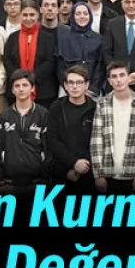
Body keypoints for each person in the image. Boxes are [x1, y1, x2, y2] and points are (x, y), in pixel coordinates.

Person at [90, 63, 135, 194]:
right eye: (114, 76)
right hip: (108, 174)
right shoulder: (102, 104)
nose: (118, 80)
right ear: (109, 81)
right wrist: (98, 175)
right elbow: (96, 140)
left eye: (122, 75)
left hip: (133, 173)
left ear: (129, 78)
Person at [0, 69, 51, 195]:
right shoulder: (4, 116)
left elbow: (48, 148)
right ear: (12, 90)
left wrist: (45, 176)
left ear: (32, 88)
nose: (21, 89)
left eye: (25, 85)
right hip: (9, 183)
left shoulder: (43, 114)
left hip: (38, 183)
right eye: (17, 86)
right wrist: (0, 178)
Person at [47, 65, 98, 193]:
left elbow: (97, 140)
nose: (74, 87)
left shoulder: (95, 109)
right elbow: (53, 140)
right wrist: (73, 163)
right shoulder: (56, 107)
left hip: (88, 171)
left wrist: (84, 165)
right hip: (62, 172)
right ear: (65, 85)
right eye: (71, 82)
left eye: (79, 82)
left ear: (87, 85)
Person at [57, 3, 104, 97]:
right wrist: (69, 87)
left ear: (90, 16)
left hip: (92, 91)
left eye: (85, 14)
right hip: (68, 90)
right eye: (78, 14)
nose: (82, 17)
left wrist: (93, 89)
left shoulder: (99, 39)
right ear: (73, 16)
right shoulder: (64, 39)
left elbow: (100, 67)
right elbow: (60, 67)